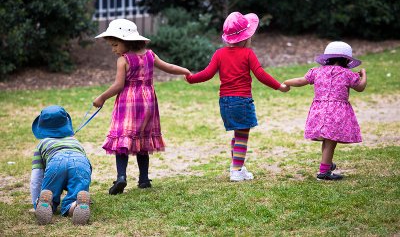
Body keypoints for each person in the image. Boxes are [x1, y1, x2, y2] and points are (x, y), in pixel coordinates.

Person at [185, 11, 289, 182]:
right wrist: (279, 86)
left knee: (237, 134)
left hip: (225, 102)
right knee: (242, 136)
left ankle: (237, 165)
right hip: (241, 101)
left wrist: (191, 78)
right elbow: (260, 74)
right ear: (246, 38)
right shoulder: (248, 54)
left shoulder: (219, 54)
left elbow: (207, 73)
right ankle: (236, 170)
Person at [93, 19, 191, 194]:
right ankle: (144, 179)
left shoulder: (124, 60)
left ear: (127, 41)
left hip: (128, 103)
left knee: (122, 138)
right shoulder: (150, 55)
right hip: (148, 102)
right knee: (143, 139)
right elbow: (168, 67)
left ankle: (121, 177)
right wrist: (185, 70)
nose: (113, 49)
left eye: (115, 45)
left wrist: (102, 98)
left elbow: (118, 86)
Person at [284, 41, 367, 180]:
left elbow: (300, 81)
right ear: (347, 60)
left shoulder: (316, 71)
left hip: (319, 110)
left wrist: (286, 82)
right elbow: (360, 87)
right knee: (330, 141)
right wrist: (363, 75)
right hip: (337, 112)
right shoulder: (347, 74)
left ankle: (326, 165)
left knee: (327, 140)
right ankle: (324, 173)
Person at [30, 105, 92, 225]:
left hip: (55, 162)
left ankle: (44, 203)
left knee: (49, 192)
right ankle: (76, 205)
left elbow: (36, 178)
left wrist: (35, 202)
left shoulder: (42, 144)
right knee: (76, 192)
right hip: (80, 162)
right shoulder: (75, 141)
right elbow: (87, 165)